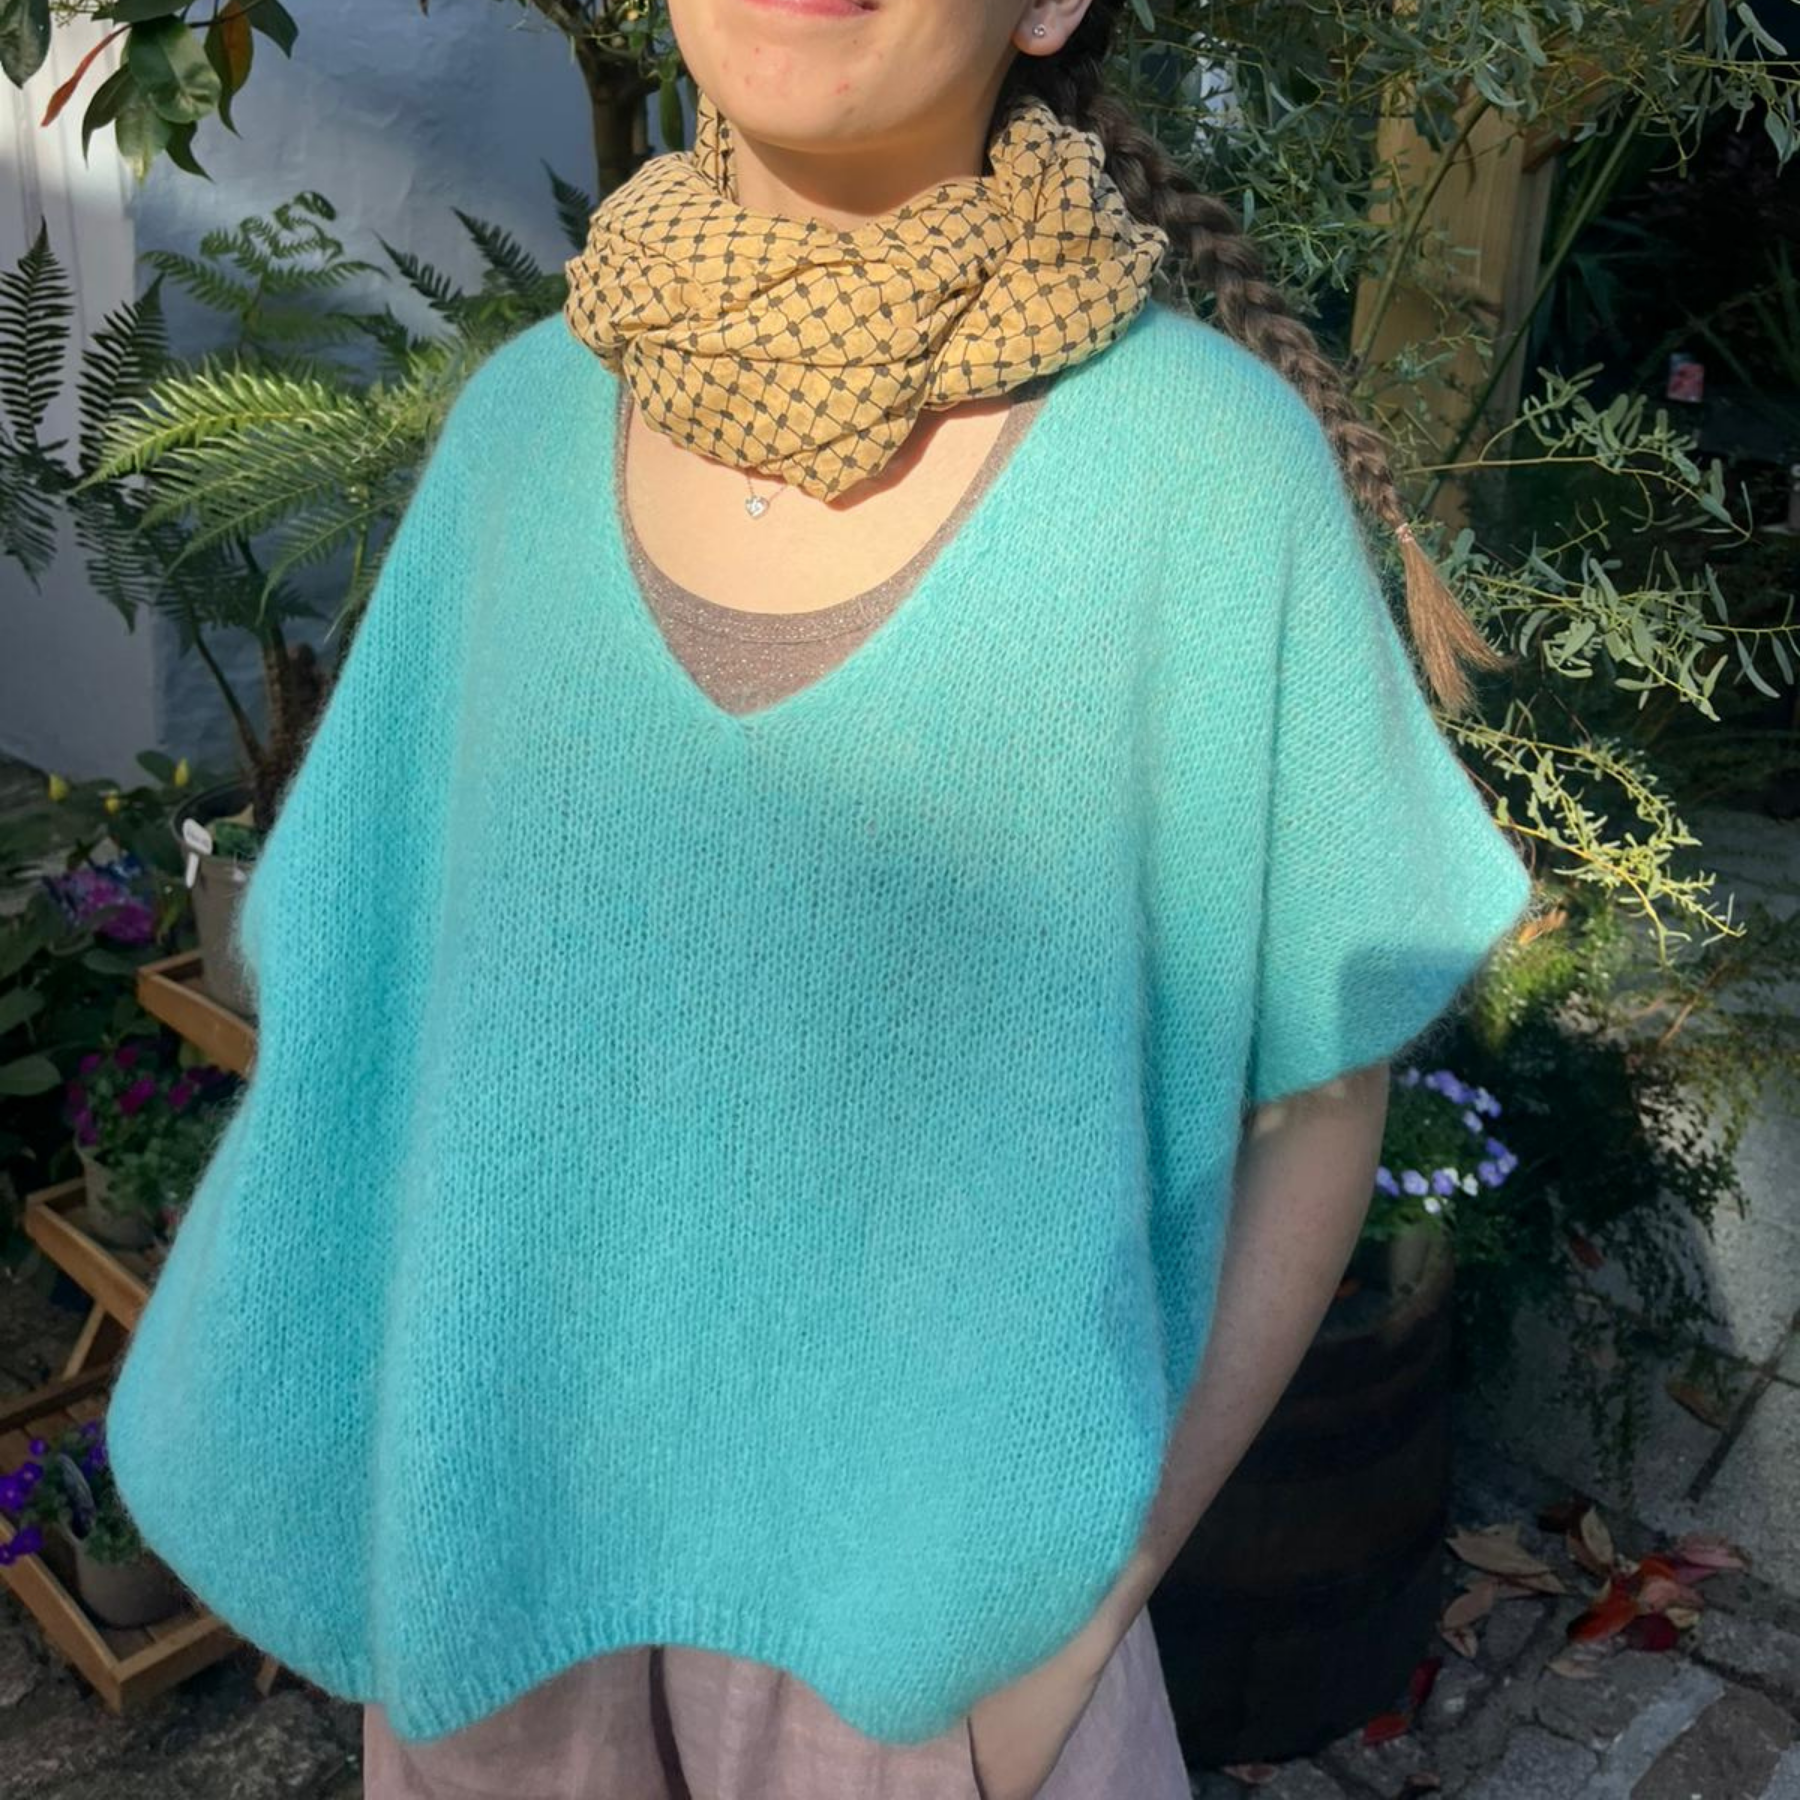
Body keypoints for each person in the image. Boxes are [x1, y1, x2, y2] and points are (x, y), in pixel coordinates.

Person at [102, 2, 1536, 1797]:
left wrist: (1089, 1615)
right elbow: (365, 1017)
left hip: (936, 1660)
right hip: (497, 1599)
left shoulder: (1201, 476)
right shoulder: (519, 437)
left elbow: (1319, 1092)